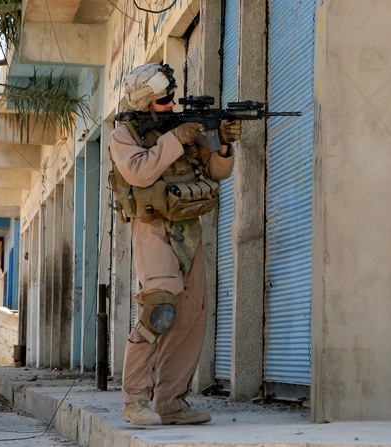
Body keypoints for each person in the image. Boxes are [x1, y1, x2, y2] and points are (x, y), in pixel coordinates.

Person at [109, 62, 240, 426]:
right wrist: (177, 137)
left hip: (188, 228)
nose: (170, 104)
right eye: (164, 99)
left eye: (171, 98)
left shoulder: (181, 128)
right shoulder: (125, 134)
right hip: (152, 229)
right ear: (147, 101)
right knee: (159, 312)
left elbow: (216, 172)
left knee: (191, 317)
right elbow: (139, 171)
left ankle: (171, 403)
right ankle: (135, 401)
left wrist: (222, 143)